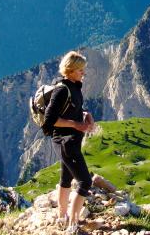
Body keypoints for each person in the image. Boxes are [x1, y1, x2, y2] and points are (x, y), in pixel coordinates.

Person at [43, 51, 95, 234]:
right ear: (71, 70)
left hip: (72, 140)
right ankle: (72, 224)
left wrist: (85, 114)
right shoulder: (61, 90)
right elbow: (49, 120)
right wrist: (75, 124)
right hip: (65, 141)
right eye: (81, 70)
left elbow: (72, 110)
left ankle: (61, 217)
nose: (84, 73)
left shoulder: (74, 87)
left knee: (66, 178)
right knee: (85, 182)